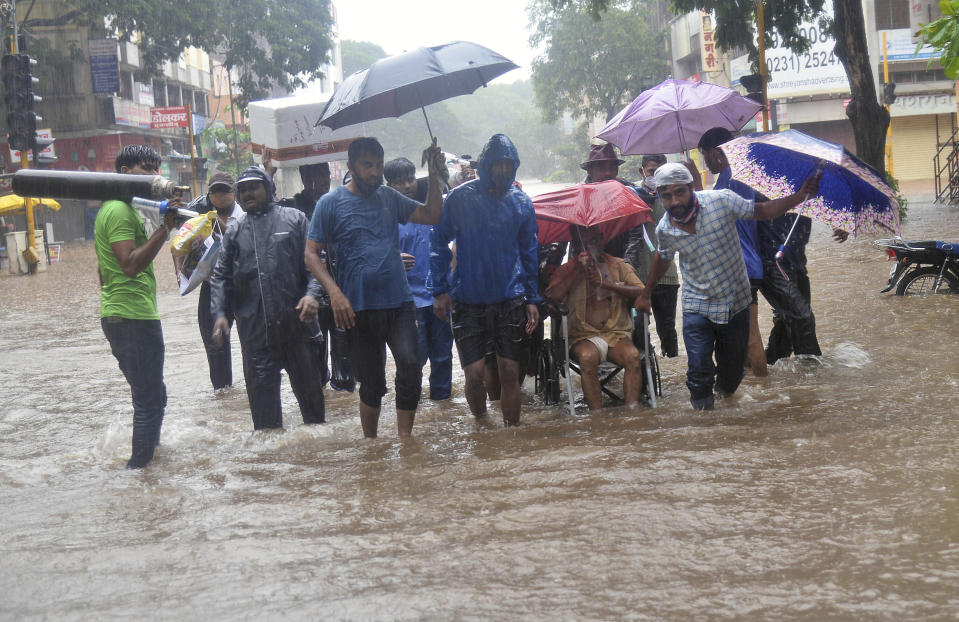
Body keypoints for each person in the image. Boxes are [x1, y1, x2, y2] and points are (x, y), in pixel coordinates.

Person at [636, 163, 819, 410]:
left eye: (680, 192)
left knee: (731, 376)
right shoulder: (665, 228)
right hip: (696, 305)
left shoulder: (721, 201)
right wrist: (646, 293)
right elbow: (663, 257)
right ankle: (706, 426)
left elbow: (762, 211)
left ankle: (724, 402)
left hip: (736, 302)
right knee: (699, 371)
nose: (674, 202)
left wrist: (798, 197)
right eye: (666, 196)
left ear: (691, 188)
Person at [305, 137, 446, 438]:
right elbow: (311, 253)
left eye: (379, 165)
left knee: (410, 365)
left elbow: (432, 215)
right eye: (367, 165)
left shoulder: (389, 198)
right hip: (356, 307)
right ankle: (371, 443)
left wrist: (434, 174)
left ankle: (405, 440)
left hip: (399, 303)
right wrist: (334, 292)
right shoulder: (330, 204)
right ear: (351, 166)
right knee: (372, 382)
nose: (374, 172)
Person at [431, 134, 540, 427]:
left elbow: (530, 253)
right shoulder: (459, 199)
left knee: (509, 371)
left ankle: (511, 435)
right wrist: (439, 290)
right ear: (487, 165)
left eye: (509, 165)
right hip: (467, 300)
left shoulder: (521, 202)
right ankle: (482, 425)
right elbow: (438, 242)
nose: (504, 171)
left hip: (510, 298)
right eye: (498, 165)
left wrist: (532, 298)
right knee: (475, 374)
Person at [209, 166, 326, 430]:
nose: (249, 193)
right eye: (244, 189)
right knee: (265, 428)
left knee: (315, 417)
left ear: (268, 189)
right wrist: (220, 315)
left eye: (254, 186)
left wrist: (312, 296)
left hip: (299, 331)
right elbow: (220, 277)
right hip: (256, 337)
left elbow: (316, 264)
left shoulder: (295, 220)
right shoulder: (235, 230)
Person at [95, 144, 182, 468]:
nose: (154, 174)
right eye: (146, 168)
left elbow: (103, 272)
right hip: (131, 317)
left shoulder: (126, 208)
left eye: (156, 168)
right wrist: (164, 230)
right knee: (148, 400)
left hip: (131, 314)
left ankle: (149, 461)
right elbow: (129, 265)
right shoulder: (117, 210)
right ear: (125, 173)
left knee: (154, 395)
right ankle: (139, 474)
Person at [545, 225, 646, 411]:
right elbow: (552, 297)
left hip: (615, 333)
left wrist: (610, 285)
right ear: (575, 244)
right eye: (585, 241)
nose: (590, 245)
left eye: (593, 240)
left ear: (602, 239)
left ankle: (633, 412)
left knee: (633, 356)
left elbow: (641, 291)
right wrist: (576, 270)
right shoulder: (566, 270)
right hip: (582, 335)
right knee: (587, 356)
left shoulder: (618, 264)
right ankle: (596, 416)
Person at [275, 161, 354, 392]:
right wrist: (268, 174)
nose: (322, 180)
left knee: (345, 371)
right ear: (303, 176)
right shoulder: (292, 208)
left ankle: (343, 409)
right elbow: (267, 212)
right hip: (310, 297)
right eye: (316, 174)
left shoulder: (338, 204)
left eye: (326, 174)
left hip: (340, 293)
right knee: (314, 370)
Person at [697, 128, 767, 377]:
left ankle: (764, 387)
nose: (705, 161)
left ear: (717, 154)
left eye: (704, 155)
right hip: (750, 267)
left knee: (749, 337)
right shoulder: (741, 177)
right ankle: (756, 387)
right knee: (744, 337)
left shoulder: (729, 181)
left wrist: (695, 186)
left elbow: (707, 218)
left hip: (739, 269)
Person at [386, 156, 453, 401]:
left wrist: (438, 169)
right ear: (388, 186)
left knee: (443, 356)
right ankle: (409, 405)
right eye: (399, 182)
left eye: (411, 179)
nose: (407, 186)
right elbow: (376, 251)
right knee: (413, 359)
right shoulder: (390, 217)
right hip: (409, 301)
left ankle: (442, 404)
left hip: (439, 295)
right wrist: (393, 257)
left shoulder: (432, 210)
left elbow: (451, 244)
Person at [177, 171, 245, 391]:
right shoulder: (200, 222)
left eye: (224, 190)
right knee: (215, 345)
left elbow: (246, 247)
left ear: (233, 192)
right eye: (215, 191)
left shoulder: (246, 216)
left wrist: (221, 227)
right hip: (212, 288)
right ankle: (223, 394)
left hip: (244, 287)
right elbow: (180, 249)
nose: (220, 195)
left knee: (252, 345)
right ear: (210, 195)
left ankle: (253, 388)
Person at [758, 208, 848, 364]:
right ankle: (814, 377)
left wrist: (836, 221)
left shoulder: (809, 186)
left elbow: (819, 202)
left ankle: (769, 367)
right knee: (802, 316)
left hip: (796, 260)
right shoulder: (757, 185)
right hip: (770, 262)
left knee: (787, 321)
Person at [624, 154, 681, 358]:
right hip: (636, 277)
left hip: (666, 276)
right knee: (638, 328)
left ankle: (673, 367)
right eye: (651, 171)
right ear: (642, 172)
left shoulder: (672, 197)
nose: (655, 176)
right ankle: (646, 369)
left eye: (660, 171)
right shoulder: (630, 195)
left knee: (668, 330)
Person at [581, 142, 633, 257]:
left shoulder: (628, 192)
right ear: (590, 170)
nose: (608, 173)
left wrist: (627, 266)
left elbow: (634, 235)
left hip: (622, 261)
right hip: (589, 262)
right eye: (601, 168)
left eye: (612, 168)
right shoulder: (580, 199)